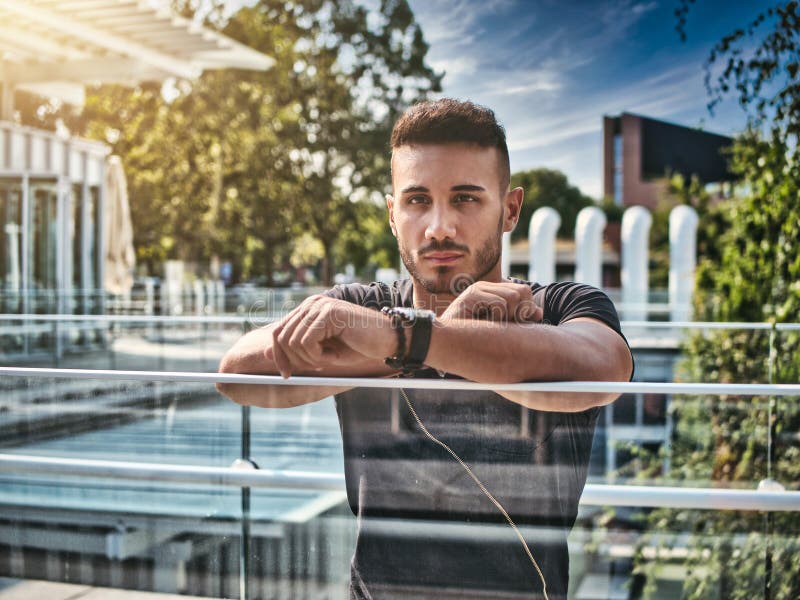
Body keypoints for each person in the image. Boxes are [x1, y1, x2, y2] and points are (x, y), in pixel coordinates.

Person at [218, 98, 633, 600]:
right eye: (417, 200)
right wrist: (431, 333)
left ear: (510, 209)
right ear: (393, 214)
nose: (439, 226)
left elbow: (603, 368)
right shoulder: (359, 306)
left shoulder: (558, 305)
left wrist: (407, 337)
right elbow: (238, 373)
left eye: (465, 199)